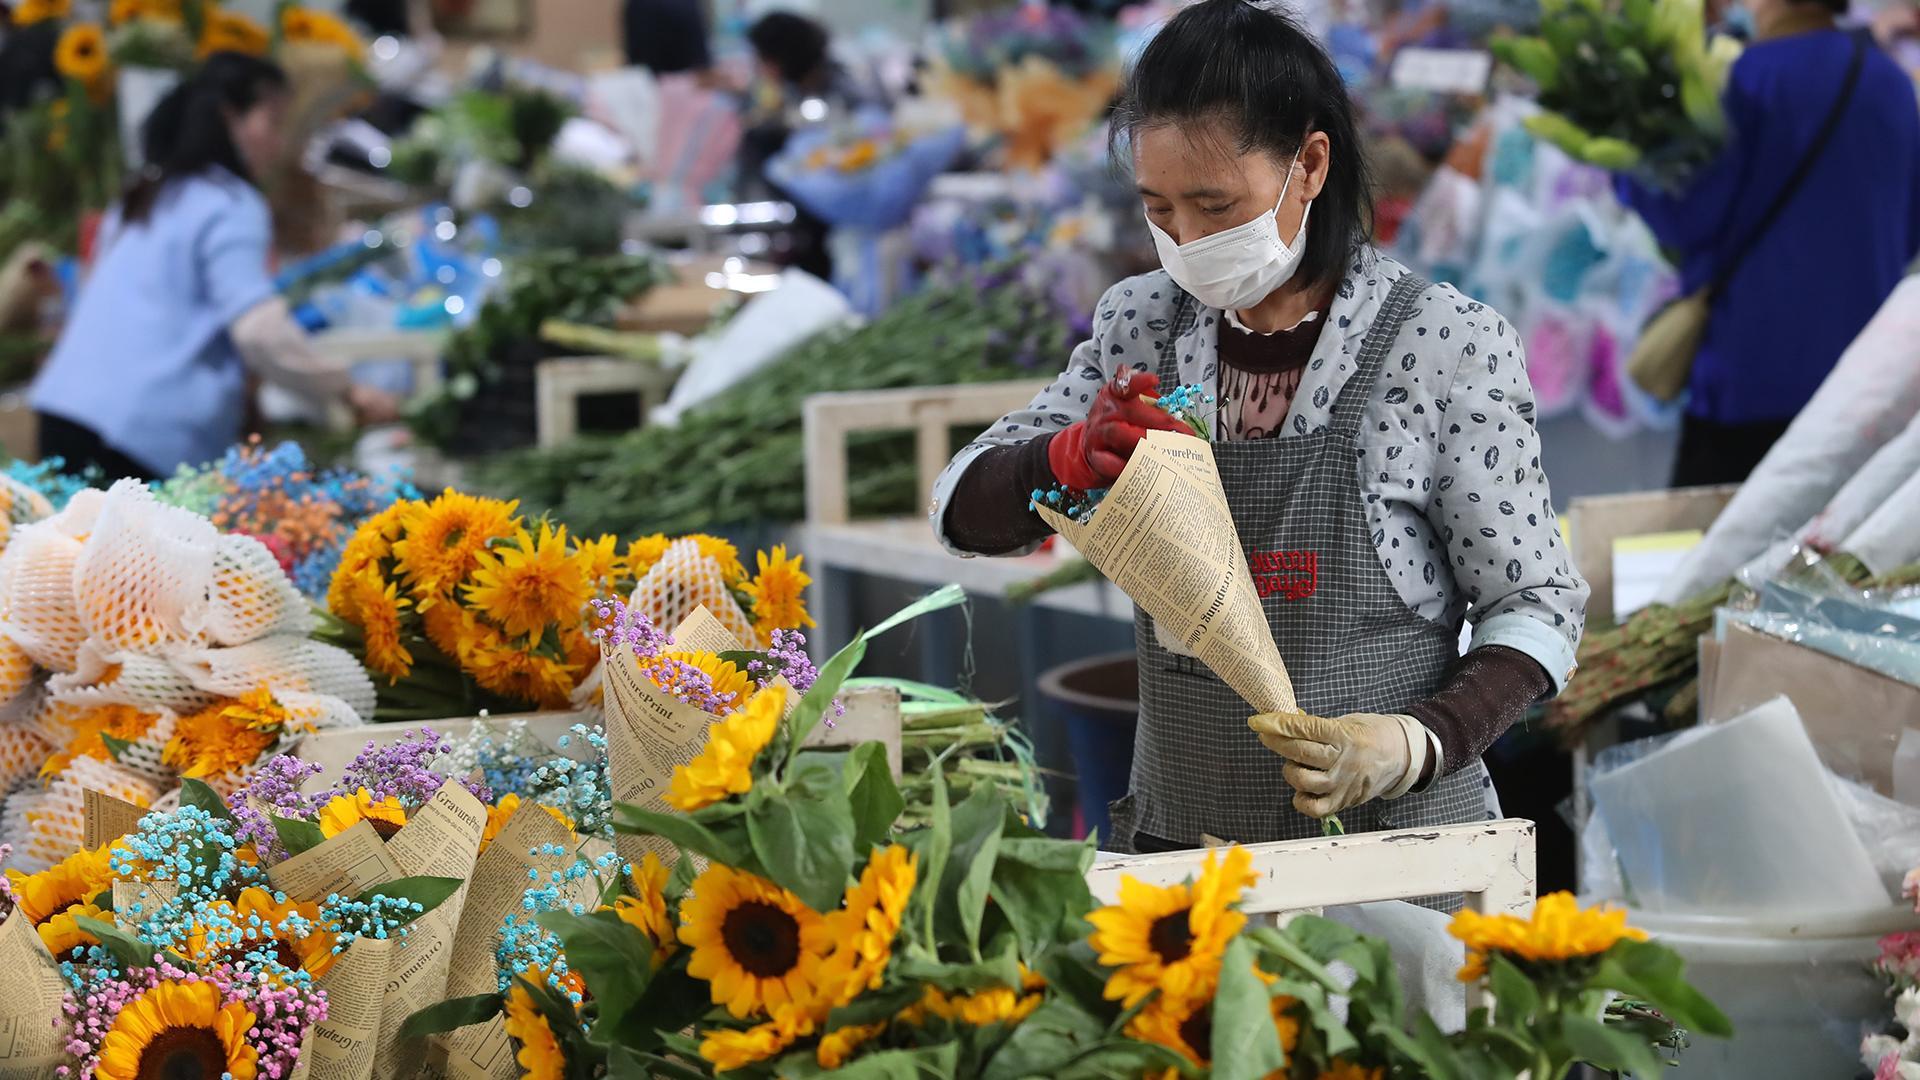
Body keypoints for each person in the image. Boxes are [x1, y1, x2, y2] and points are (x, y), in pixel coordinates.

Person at [933, 0, 1588, 892]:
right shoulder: (1144, 326)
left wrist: (1417, 742)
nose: (1188, 241)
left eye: (1216, 205)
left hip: (1394, 867)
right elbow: (962, 508)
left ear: (1309, 165)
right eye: (1160, 209)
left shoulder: (1440, 345)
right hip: (1185, 866)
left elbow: (1539, 602)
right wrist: (1061, 463)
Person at [30, 53, 398, 481]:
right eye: (273, 122)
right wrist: (347, 390)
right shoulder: (230, 203)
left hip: (63, 412)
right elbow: (258, 329)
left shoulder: (144, 191)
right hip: (139, 434)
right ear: (230, 117)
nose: (279, 143)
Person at [1615, 0, 1920, 487]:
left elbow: (1685, 222)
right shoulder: (1892, 83)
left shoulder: (1737, 82)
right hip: (1863, 383)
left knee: (1720, 546)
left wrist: (1627, 163)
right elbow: (1908, 232)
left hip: (1750, 374)